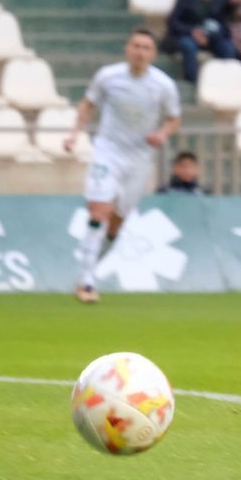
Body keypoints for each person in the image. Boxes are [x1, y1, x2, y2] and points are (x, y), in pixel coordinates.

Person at [65, 29, 181, 304]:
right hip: (108, 151)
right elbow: (88, 105)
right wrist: (74, 133)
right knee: (99, 210)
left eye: (146, 47)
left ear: (153, 54)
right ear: (127, 49)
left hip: (139, 157)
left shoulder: (163, 85)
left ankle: (88, 272)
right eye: (136, 46)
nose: (140, 52)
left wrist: (162, 134)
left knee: (116, 223)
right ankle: (88, 281)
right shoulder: (108, 76)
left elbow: (174, 119)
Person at [166, 0, 238, 83]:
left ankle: (225, 81)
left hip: (214, 37)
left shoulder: (221, 0)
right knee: (188, 46)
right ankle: (192, 81)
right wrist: (192, 32)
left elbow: (225, 26)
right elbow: (173, 22)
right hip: (189, 35)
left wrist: (212, 35)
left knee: (228, 48)